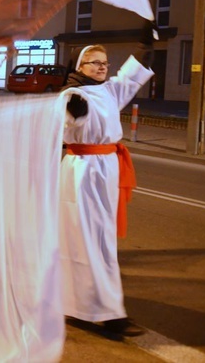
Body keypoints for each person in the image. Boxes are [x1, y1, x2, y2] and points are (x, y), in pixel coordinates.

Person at [60, 28, 155, 337]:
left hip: (106, 168)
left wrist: (144, 48)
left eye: (104, 62)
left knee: (97, 240)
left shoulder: (109, 89)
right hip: (83, 172)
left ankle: (82, 306)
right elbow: (70, 117)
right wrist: (75, 113)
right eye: (94, 63)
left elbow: (129, 79)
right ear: (79, 67)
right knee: (90, 240)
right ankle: (110, 312)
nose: (102, 67)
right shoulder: (72, 94)